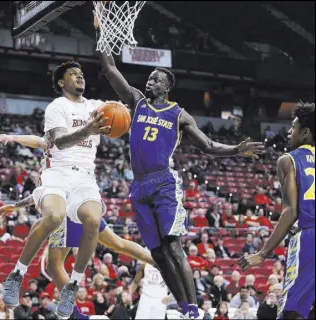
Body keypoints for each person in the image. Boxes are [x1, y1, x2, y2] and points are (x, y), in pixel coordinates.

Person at [94, 9, 264, 319]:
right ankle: (185, 308)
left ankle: (195, 309)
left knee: (173, 248)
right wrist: (102, 32)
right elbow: (108, 67)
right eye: (149, 78)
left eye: (155, 79)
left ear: (166, 86)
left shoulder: (179, 114)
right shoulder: (136, 101)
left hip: (163, 182)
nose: (149, 81)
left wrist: (236, 150)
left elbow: (209, 146)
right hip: (138, 185)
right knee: (158, 255)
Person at [0, 61, 112, 318]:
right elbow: (58, 142)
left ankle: (73, 285)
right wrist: (88, 129)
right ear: (62, 82)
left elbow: (122, 110)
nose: (79, 77)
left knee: (93, 219)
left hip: (85, 176)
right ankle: (17, 273)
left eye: (81, 74)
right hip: (58, 173)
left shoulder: (96, 106)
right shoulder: (56, 107)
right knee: (53, 217)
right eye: (73, 74)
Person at [0, 192, 154, 319]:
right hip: (86, 202)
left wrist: (16, 206)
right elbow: (40, 193)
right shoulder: (60, 167)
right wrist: (16, 206)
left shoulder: (52, 165)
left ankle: (79, 316)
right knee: (117, 244)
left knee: (54, 265)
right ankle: (158, 261)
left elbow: (41, 192)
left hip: (69, 212)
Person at [238, 102, 315, 320]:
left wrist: (262, 254)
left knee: (293, 310)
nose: (290, 132)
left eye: (293, 126)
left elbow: (290, 211)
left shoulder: (288, 160)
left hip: (310, 237)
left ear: (306, 131)